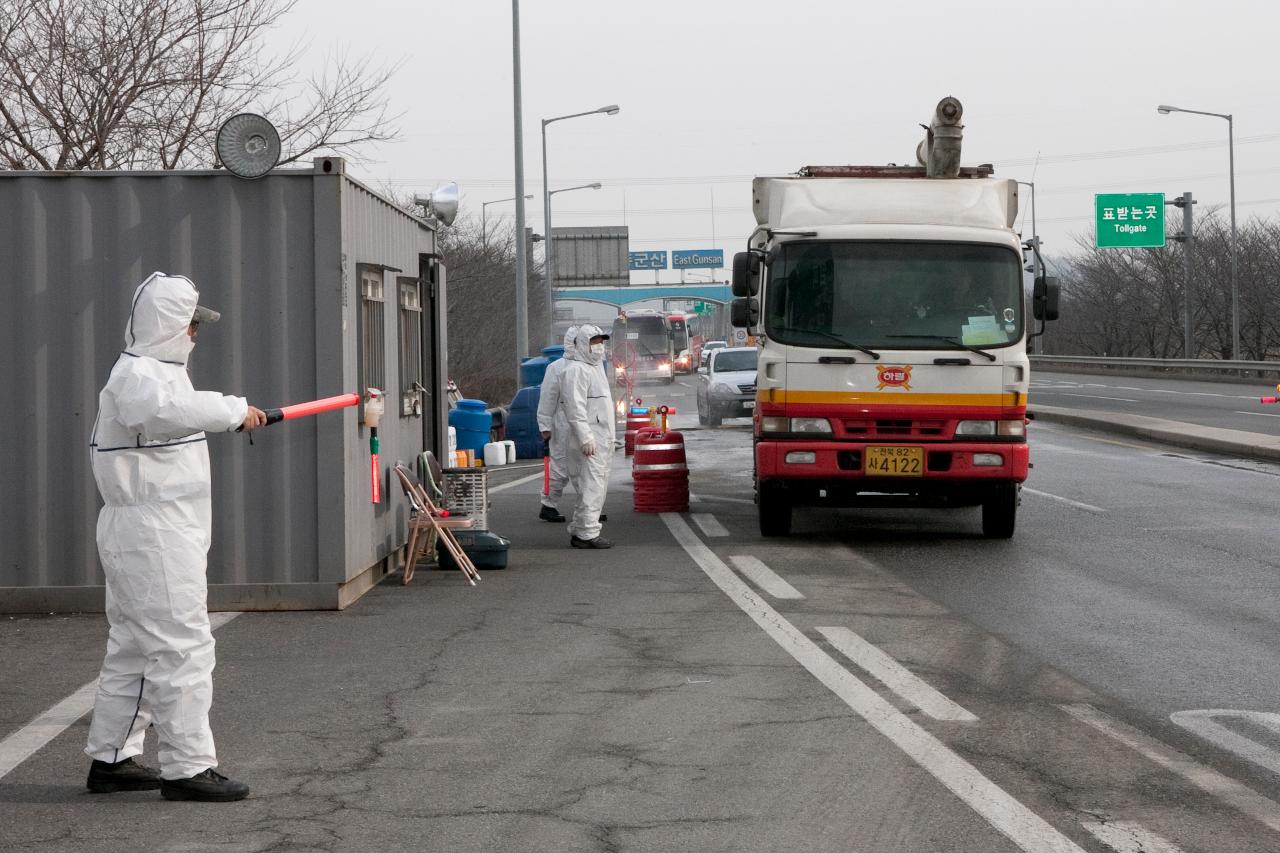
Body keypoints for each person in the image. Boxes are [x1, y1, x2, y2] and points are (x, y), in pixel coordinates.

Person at [84, 272, 267, 802]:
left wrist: (229, 415)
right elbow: (158, 414)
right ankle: (187, 768)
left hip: (153, 530)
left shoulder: (159, 375)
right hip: (152, 534)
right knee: (182, 645)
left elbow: (172, 413)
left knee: (137, 649)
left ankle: (112, 758)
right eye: (190, 325)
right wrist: (232, 410)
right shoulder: (140, 377)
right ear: (167, 326)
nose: (195, 334)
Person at [560, 324, 615, 549]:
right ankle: (587, 533)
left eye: (601, 342)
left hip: (600, 439)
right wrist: (585, 437)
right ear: (582, 344)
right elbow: (575, 408)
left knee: (595, 486)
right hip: (589, 440)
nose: (599, 347)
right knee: (591, 486)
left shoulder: (596, 369)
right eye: (594, 342)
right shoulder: (575, 370)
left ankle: (581, 528)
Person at [535, 325, 578, 523]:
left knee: (587, 467)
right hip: (562, 424)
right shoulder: (557, 368)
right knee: (560, 466)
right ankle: (549, 504)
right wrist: (545, 426)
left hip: (584, 424)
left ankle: (589, 506)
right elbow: (547, 398)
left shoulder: (591, 367)